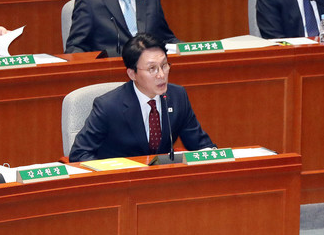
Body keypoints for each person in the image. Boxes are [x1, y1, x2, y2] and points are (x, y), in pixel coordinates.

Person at [69, 33, 215, 162]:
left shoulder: (177, 97)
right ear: (132, 74)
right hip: (123, 180)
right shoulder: (108, 106)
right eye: (152, 69)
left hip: (162, 180)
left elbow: (202, 145)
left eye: (164, 65)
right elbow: (79, 153)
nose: (161, 75)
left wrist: (212, 154)